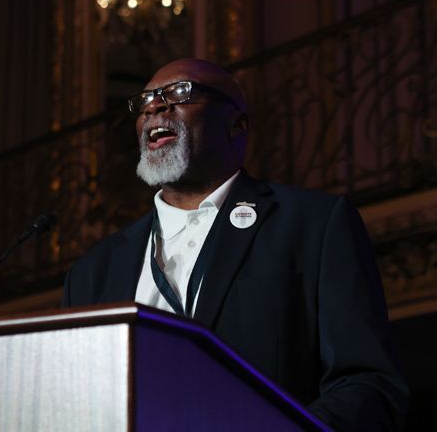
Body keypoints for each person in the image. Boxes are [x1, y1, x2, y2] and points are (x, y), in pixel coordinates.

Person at [61, 58, 408, 430]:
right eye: (145, 101)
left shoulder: (312, 226)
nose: (155, 106)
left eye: (180, 93)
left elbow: (368, 385)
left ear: (237, 124)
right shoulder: (92, 272)